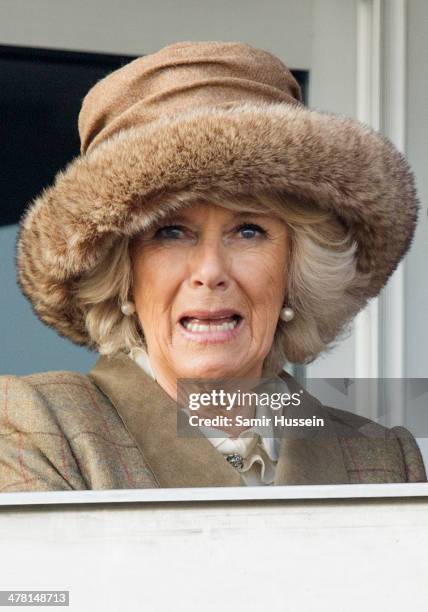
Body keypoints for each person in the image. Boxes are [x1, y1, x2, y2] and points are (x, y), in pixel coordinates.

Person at [0, 40, 425, 492]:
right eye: (170, 232)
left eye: (248, 231)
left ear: (295, 269)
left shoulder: (382, 456)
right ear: (122, 277)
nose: (210, 271)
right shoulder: (39, 426)